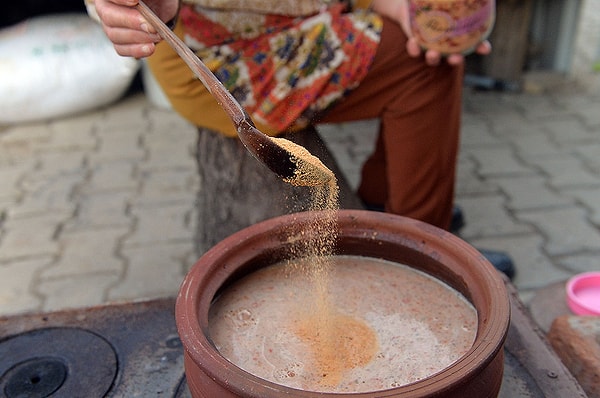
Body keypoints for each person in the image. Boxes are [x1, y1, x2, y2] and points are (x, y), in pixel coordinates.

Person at [91, 0, 515, 277]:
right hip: (219, 55)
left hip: (297, 20)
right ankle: (423, 256)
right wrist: (132, 9)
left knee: (431, 46)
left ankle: (392, 213)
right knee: (421, 67)